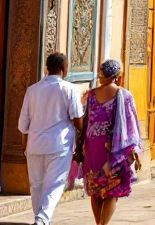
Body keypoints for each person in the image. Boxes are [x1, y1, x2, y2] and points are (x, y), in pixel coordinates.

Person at [19, 53, 85, 225]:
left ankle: (39, 218)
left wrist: (25, 144)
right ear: (64, 68)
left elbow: (23, 124)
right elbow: (78, 119)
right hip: (59, 144)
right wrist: (84, 136)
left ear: (46, 68)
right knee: (54, 184)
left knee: (36, 185)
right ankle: (42, 219)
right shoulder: (69, 89)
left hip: (35, 143)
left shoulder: (32, 90)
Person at [78, 60, 142, 225]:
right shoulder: (124, 95)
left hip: (93, 147)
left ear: (101, 75)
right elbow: (131, 124)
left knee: (96, 190)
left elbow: (84, 122)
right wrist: (134, 150)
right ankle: (103, 224)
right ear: (117, 76)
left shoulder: (90, 95)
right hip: (114, 148)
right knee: (112, 189)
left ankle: (98, 222)